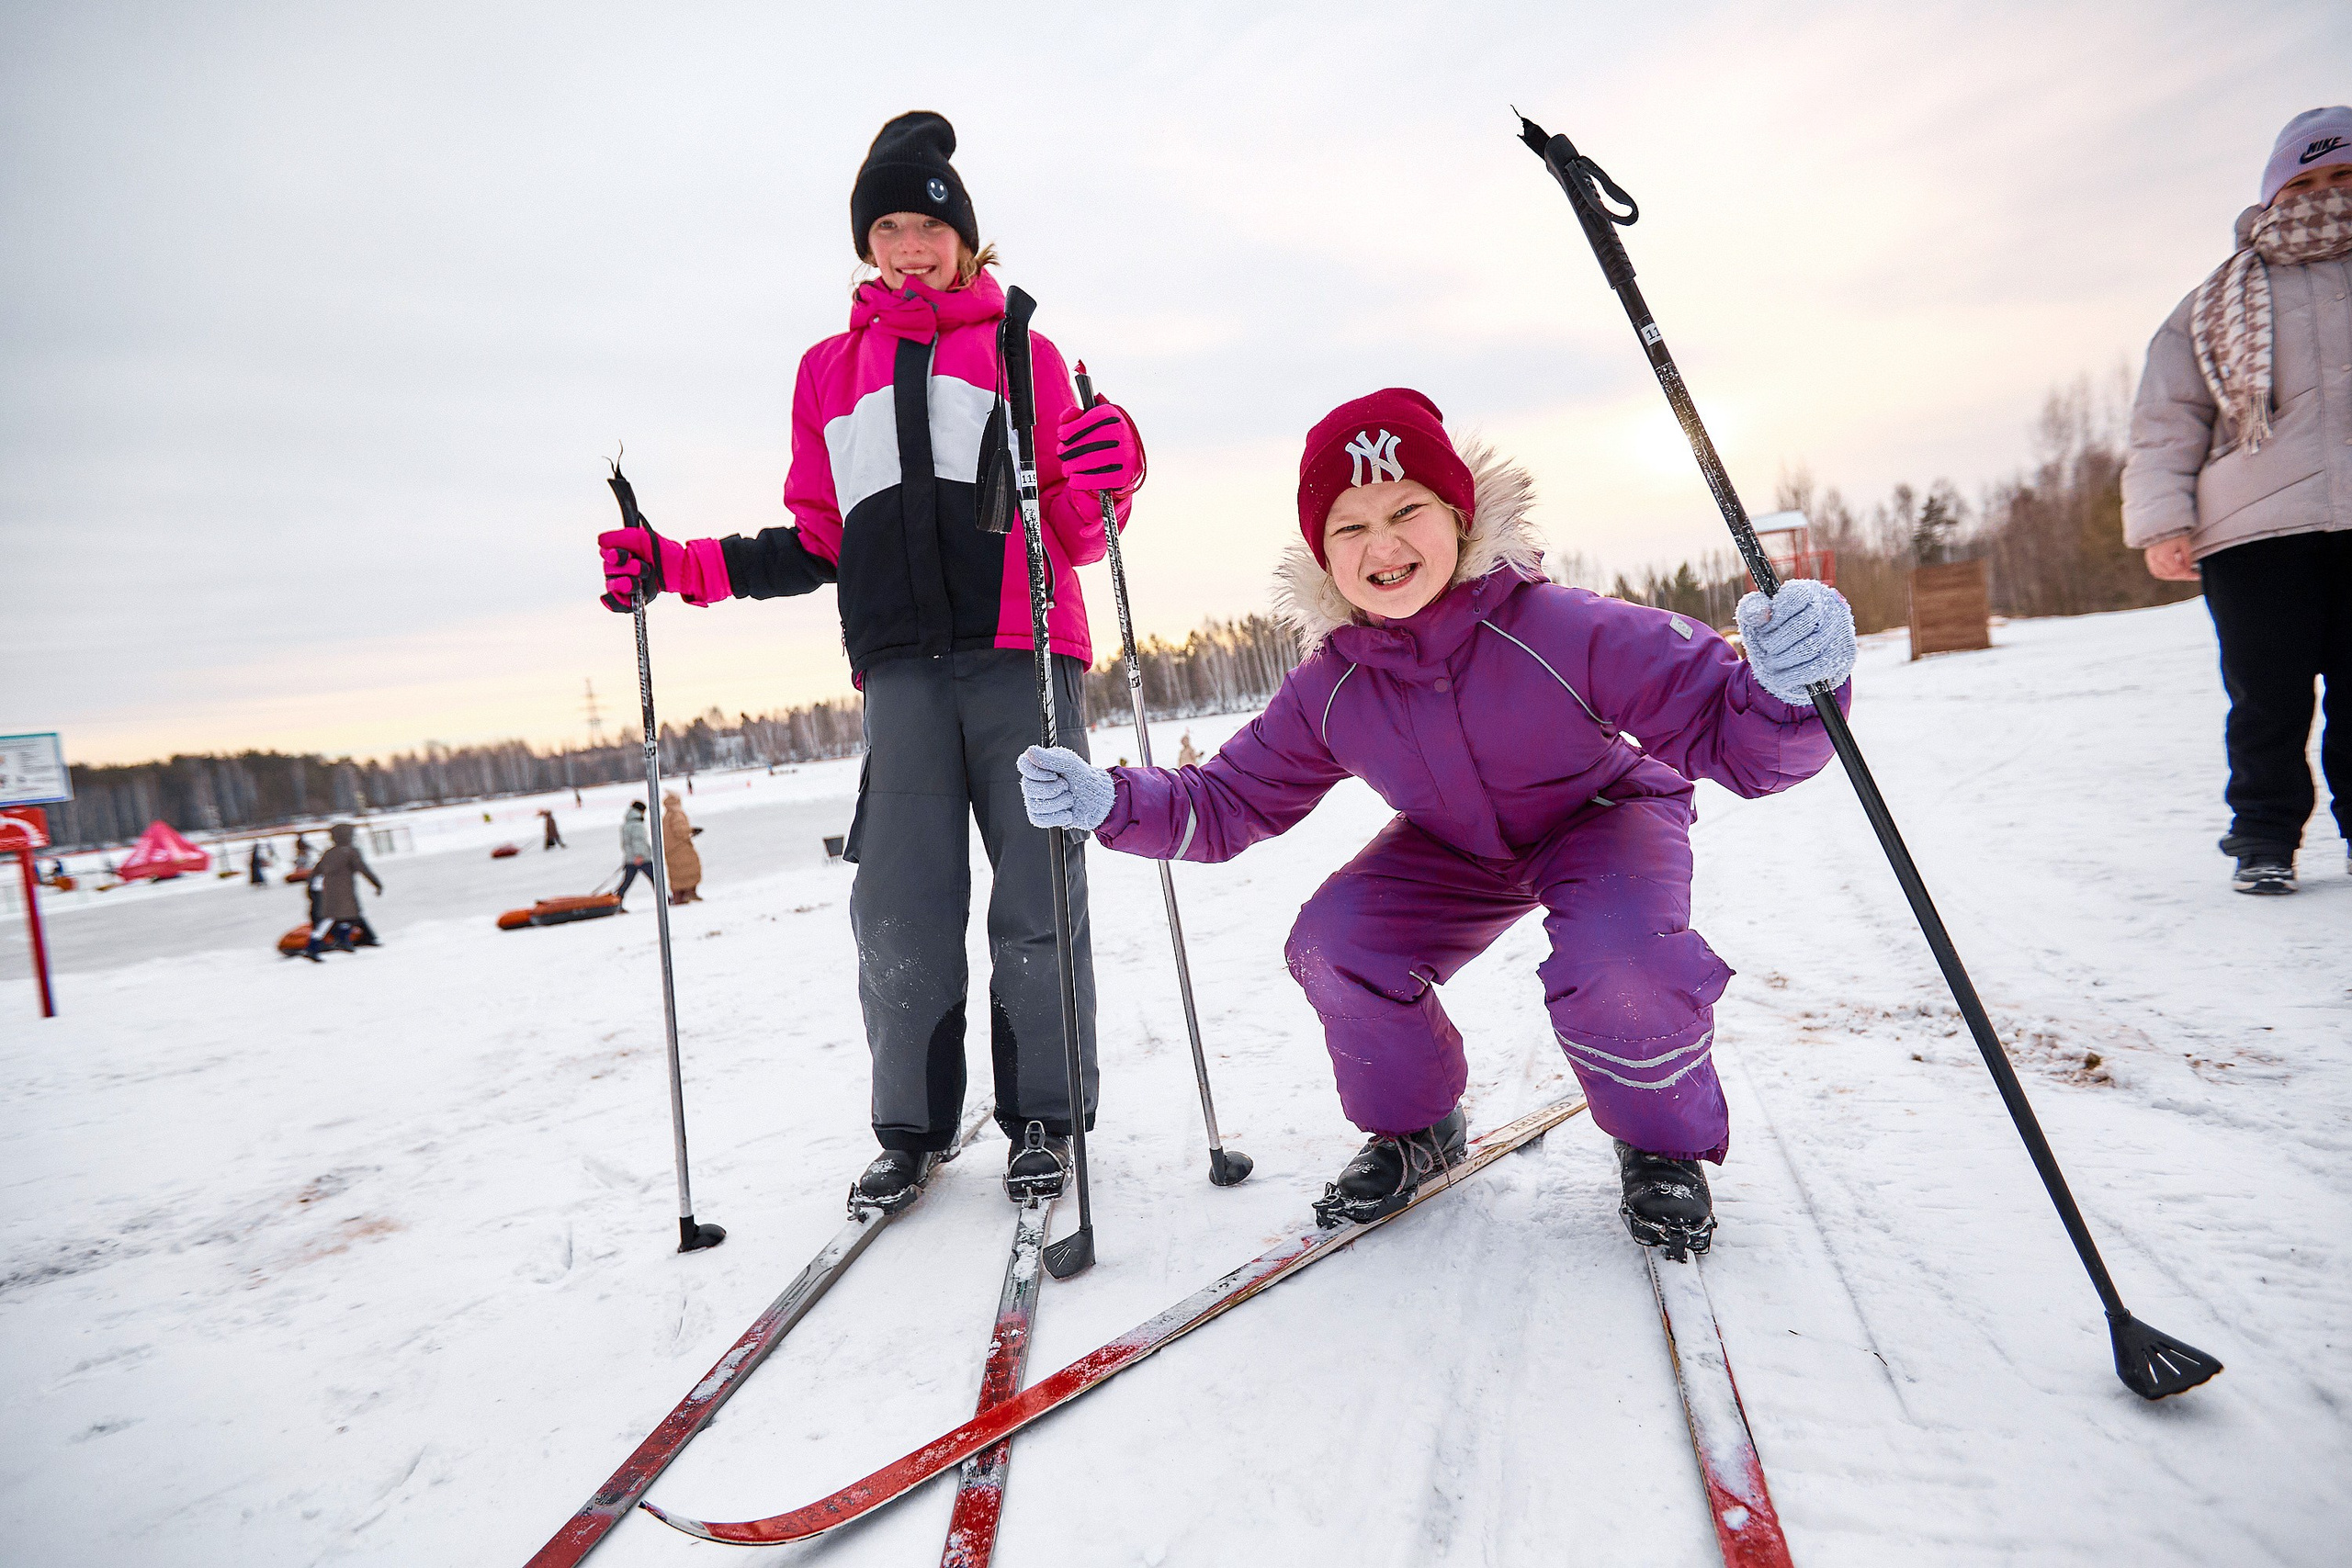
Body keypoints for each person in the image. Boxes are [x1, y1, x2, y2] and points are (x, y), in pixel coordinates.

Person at [1019, 390, 1855, 1250]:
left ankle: (1660, 1148)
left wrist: (1792, 689)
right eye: (1349, 527)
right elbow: (1230, 800)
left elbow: (1731, 731)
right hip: (1456, 847)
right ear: (1321, 556)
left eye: (1406, 510)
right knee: (1333, 940)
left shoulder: (1560, 626)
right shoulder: (1334, 683)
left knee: (1623, 961)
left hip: (1603, 816)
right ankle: (1416, 1128)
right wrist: (1110, 801)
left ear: (1459, 516)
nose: (1382, 545)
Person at [595, 111, 1141, 1212]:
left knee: (1038, 893)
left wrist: (1114, 472)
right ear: (865, 244)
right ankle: (912, 1128)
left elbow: (1078, 529)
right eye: (885, 227)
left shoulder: (1019, 347)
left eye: (926, 225)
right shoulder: (825, 373)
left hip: (1023, 657)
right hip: (897, 671)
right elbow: (813, 540)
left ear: (964, 237)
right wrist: (675, 565)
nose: (907, 246)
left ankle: (1042, 1117)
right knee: (898, 901)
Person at [2123, 107, 2352, 896]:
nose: (2326, 195)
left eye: (2343, 177)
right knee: (2268, 697)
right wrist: (2164, 522)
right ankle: (2263, 833)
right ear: (2274, 193)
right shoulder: (2218, 298)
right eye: (2307, 181)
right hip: (2255, 533)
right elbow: (2167, 416)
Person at [301, 822, 383, 960]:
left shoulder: (329, 853)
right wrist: (377, 884)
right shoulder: (351, 851)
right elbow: (363, 869)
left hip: (329, 891)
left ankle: (332, 943)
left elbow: (316, 871)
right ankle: (320, 946)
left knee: (335, 918)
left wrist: (311, 889)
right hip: (345, 891)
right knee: (347, 916)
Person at [662, 791, 703, 904]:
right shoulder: (677, 814)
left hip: (670, 850)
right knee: (690, 868)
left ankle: (679, 896)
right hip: (681, 848)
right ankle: (690, 893)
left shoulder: (667, 815)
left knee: (676, 874)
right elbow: (680, 830)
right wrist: (691, 831)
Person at [616, 800, 654, 908]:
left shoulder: (627, 824)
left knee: (626, 882)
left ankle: (618, 902)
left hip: (630, 858)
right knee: (655, 879)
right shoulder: (637, 825)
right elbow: (638, 841)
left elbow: (625, 843)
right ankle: (666, 899)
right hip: (641, 858)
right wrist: (639, 855)